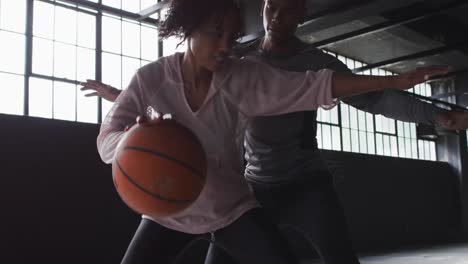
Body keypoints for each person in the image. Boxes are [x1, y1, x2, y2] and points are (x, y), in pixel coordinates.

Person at [95, 0, 449, 263]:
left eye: (231, 37)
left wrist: (397, 79)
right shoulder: (150, 80)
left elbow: (314, 86)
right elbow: (107, 137)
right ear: (188, 28)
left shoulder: (242, 77)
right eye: (215, 34)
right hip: (168, 209)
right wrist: (129, 139)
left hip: (229, 209)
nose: (224, 47)